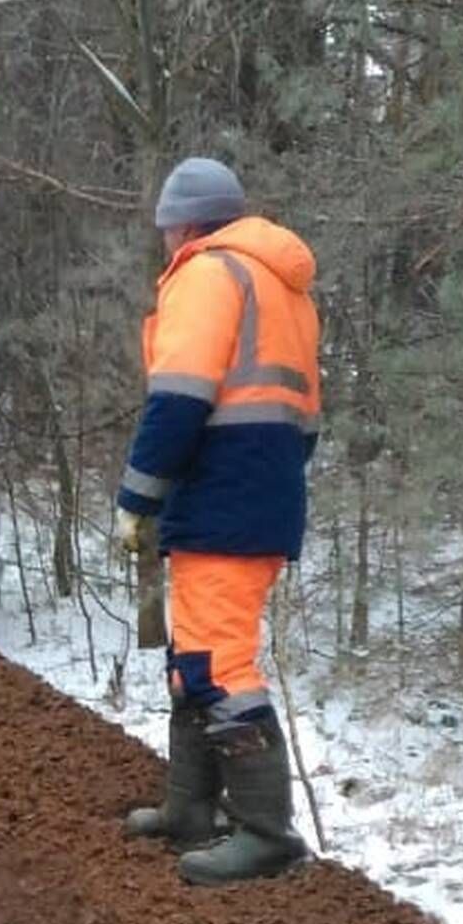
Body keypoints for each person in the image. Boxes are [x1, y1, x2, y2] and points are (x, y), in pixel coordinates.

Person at [114, 157, 321, 884]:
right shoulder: (282, 287)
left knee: (218, 663)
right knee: (193, 657)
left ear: (186, 224)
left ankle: (265, 833)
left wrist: (137, 498)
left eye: (168, 229)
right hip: (259, 492)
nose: (167, 243)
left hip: (221, 494)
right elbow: (304, 423)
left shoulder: (207, 274)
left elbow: (178, 398)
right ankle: (190, 808)